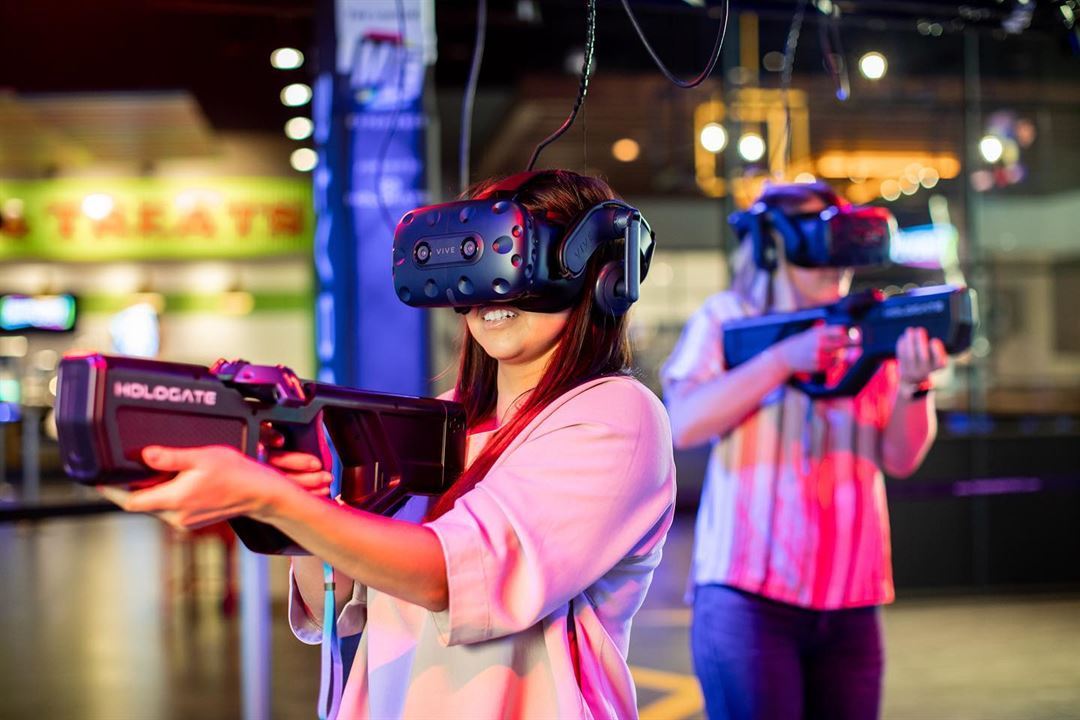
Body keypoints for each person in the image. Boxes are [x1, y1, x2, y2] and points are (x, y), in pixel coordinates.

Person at [103, 169, 677, 719]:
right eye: (474, 259)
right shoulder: (443, 421)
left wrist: (275, 501)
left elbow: (449, 574)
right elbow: (332, 598)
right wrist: (300, 490)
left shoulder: (615, 413)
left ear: (604, 278)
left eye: (520, 259)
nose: (491, 289)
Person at [662, 183, 947, 720]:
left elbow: (900, 457)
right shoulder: (727, 316)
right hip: (749, 595)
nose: (835, 264)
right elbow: (683, 423)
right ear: (775, 246)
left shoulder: (865, 324)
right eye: (820, 242)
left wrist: (915, 386)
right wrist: (781, 361)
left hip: (851, 598)